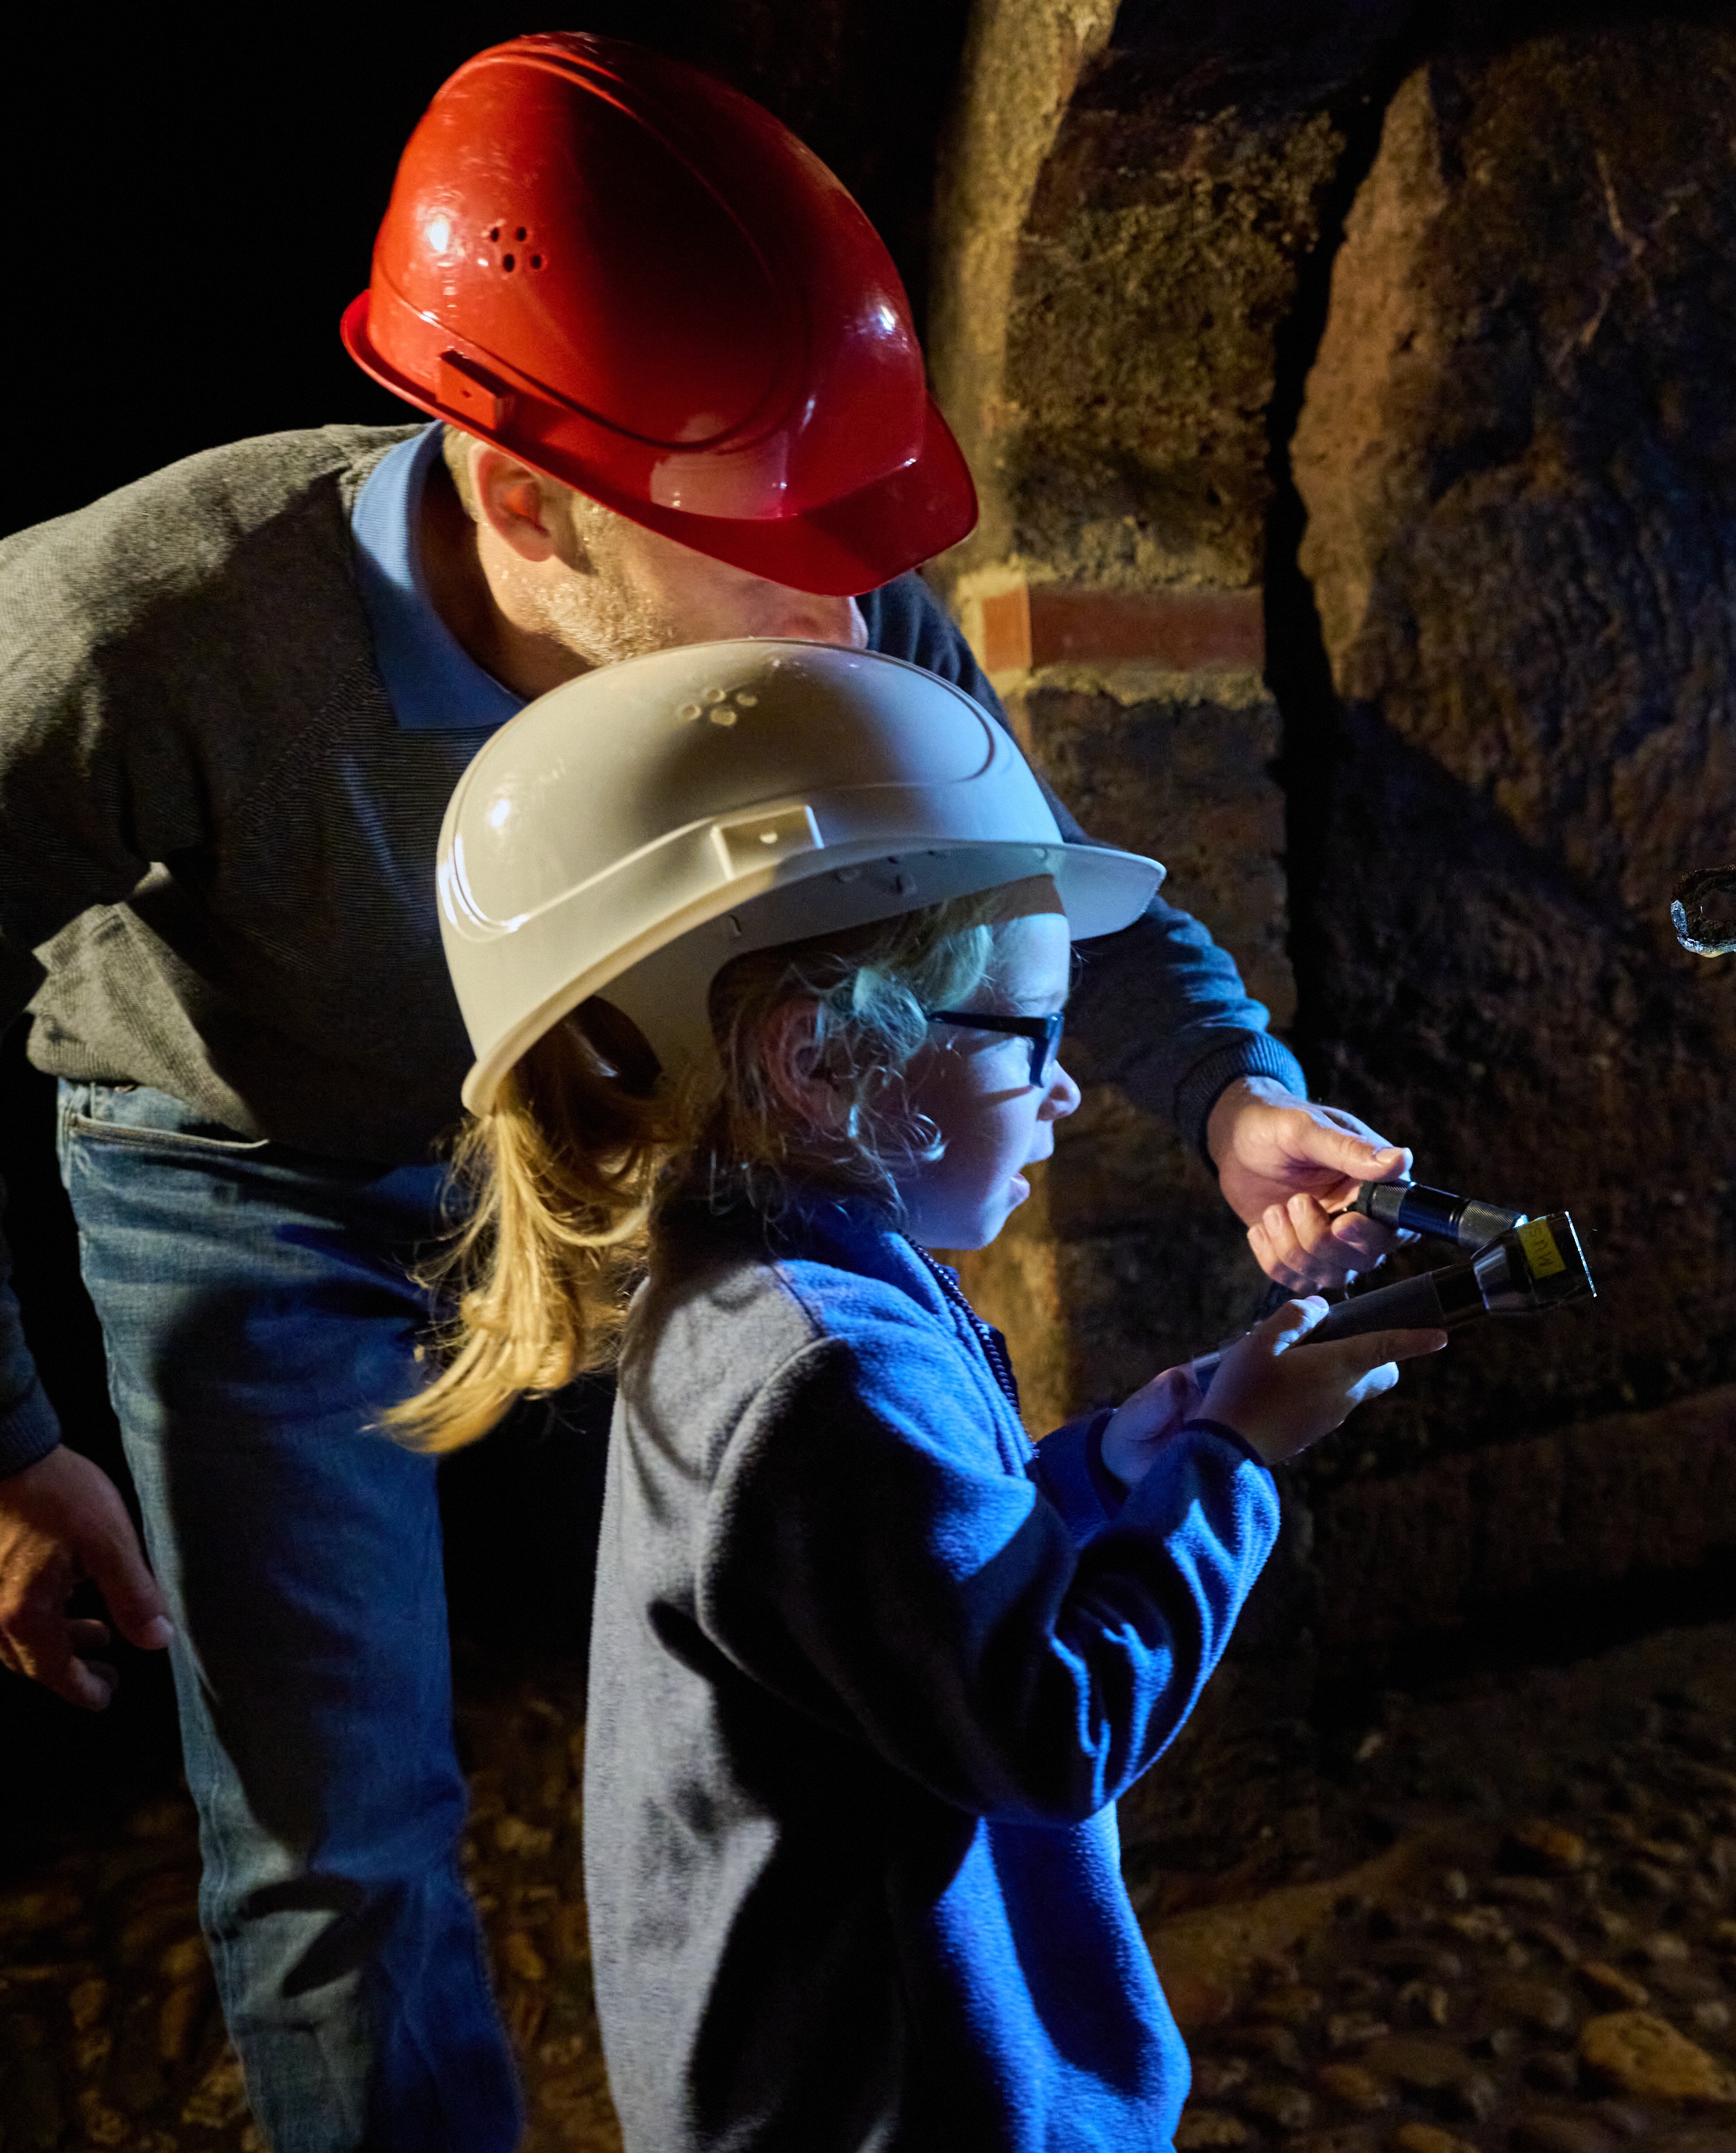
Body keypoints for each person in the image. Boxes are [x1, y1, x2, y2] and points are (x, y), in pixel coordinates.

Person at [0, 35, 1399, 2151]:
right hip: (248, 1174)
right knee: (333, 1837)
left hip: (642, 1138)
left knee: (723, 1699)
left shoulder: (827, 608)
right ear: (528, 498)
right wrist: (10, 1449)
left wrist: (1228, 1097)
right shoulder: (132, 639)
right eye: (774, 545)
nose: (855, 617)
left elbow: (1014, 880)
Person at [399, 637, 1444, 2151]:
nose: (1072, 1088)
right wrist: (1232, 1463)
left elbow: (906, 1607)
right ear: (826, 1063)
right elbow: (1042, 1726)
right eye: (1031, 1036)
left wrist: (1108, 1467)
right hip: (908, 2099)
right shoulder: (826, 1368)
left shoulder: (780, 1279)